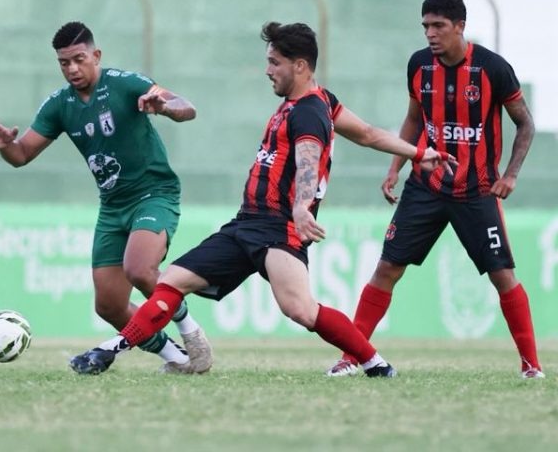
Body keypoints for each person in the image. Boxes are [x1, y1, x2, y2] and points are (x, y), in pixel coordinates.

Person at [68, 21, 455, 376]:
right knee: (171, 282)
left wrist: (301, 206)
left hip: (277, 229)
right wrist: (418, 152)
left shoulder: (309, 113)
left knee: (301, 310)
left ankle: (375, 363)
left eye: (274, 62)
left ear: (299, 65)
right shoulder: (320, 100)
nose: (268, 70)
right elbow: (368, 133)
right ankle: (108, 351)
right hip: (246, 223)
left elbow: (309, 160)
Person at [326, 0, 544, 379]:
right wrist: (395, 167)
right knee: (387, 268)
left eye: (438, 26)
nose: (430, 33)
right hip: (425, 185)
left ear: (460, 26)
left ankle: (531, 365)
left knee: (502, 275)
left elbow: (525, 122)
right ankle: (350, 357)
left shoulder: (493, 69)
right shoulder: (419, 65)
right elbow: (414, 119)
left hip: (477, 190)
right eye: (425, 26)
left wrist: (510, 174)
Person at [0, 21, 212, 374]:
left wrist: (164, 107)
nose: (72, 69)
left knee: (140, 270)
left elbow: (187, 108)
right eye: (64, 63)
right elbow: (22, 155)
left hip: (153, 194)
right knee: (109, 305)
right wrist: (6, 146)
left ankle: (191, 332)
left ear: (96, 55)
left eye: (79, 59)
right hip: (112, 206)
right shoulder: (59, 104)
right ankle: (177, 358)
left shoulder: (125, 84)